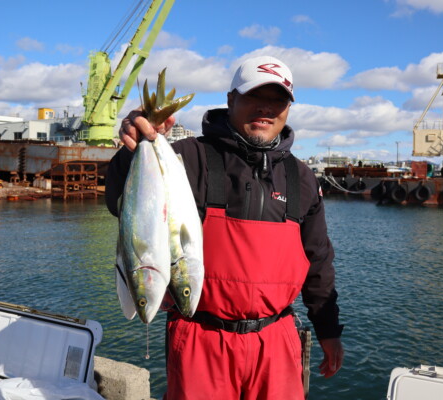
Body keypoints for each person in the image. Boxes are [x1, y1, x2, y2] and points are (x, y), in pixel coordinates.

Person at [105, 56, 344, 399]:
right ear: (231, 99)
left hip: (276, 341)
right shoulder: (188, 157)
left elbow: (318, 259)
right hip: (200, 338)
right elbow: (121, 204)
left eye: (277, 100)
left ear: (288, 108)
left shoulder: (302, 177)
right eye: (253, 97)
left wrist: (328, 329)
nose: (266, 109)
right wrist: (135, 145)